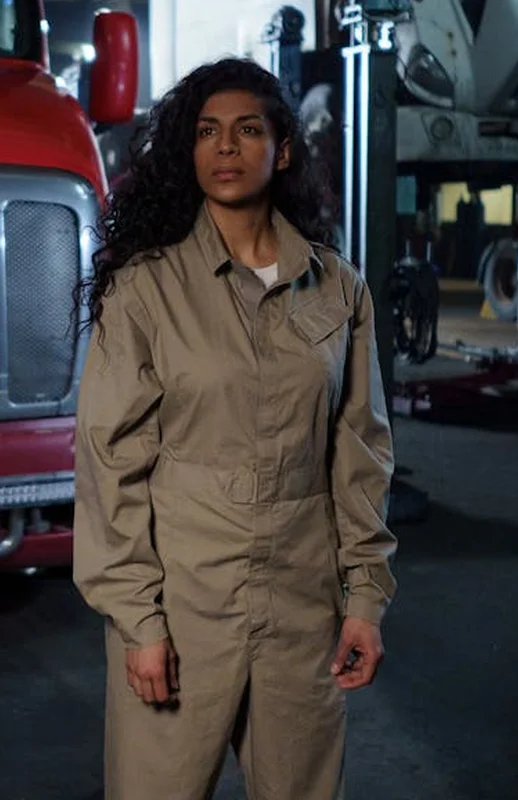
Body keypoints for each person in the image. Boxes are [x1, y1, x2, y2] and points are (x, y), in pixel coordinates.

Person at [71, 58, 398, 800]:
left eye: (248, 130)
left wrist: (364, 601)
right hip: (183, 606)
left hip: (302, 607)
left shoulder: (337, 289)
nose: (226, 146)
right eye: (207, 132)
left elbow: (359, 457)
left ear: (281, 152)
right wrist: (139, 622)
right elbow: (109, 464)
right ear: (188, 153)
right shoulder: (147, 289)